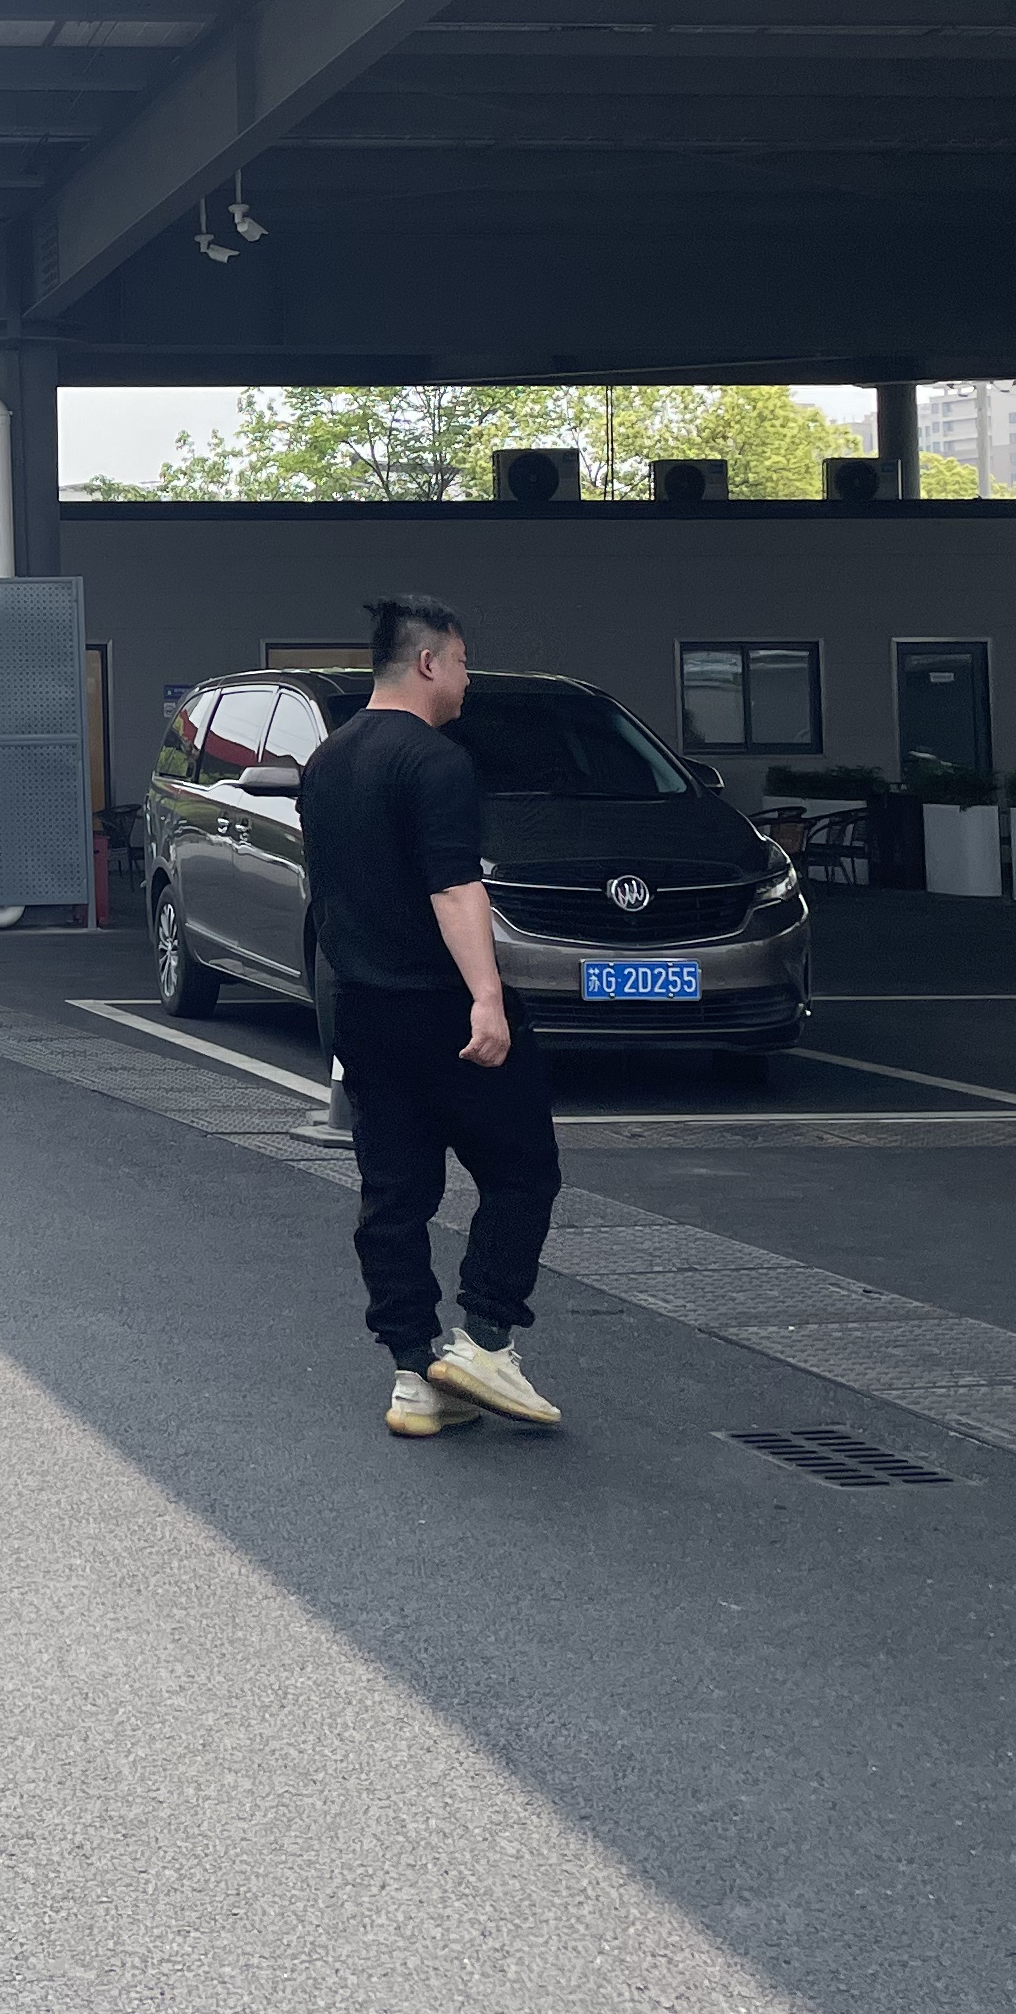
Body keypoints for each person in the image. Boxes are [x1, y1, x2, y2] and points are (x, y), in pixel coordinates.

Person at [296, 593, 565, 1440]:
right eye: (461, 663)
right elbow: (454, 888)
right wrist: (487, 998)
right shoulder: (436, 761)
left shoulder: (327, 761)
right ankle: (485, 1339)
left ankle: (414, 1375)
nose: (466, 679)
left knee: (396, 1193)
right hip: (442, 1007)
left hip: (360, 1008)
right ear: (426, 663)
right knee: (523, 1172)